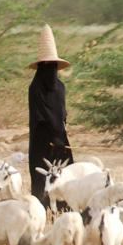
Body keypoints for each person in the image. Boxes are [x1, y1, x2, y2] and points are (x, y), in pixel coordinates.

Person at [28, 24, 74, 204]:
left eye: (52, 66)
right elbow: (39, 117)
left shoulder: (60, 87)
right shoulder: (35, 88)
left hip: (61, 139)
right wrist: (53, 137)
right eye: (48, 66)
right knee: (42, 172)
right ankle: (42, 205)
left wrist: (60, 136)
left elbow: (62, 114)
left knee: (65, 173)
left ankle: (65, 204)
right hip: (42, 140)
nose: (51, 70)